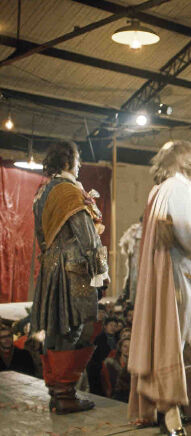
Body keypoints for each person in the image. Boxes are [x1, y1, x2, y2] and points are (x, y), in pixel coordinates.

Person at [128, 140, 191, 434]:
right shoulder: (179, 188)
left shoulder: (159, 189)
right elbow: (187, 233)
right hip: (173, 275)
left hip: (161, 272)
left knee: (163, 341)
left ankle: (163, 411)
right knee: (173, 343)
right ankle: (171, 417)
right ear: (186, 164)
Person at [32, 141, 108, 414]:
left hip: (50, 267)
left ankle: (56, 392)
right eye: (77, 160)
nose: (79, 165)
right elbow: (88, 239)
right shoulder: (69, 192)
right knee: (73, 327)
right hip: (72, 269)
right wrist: (102, 274)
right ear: (66, 162)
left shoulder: (42, 193)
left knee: (54, 328)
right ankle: (65, 395)